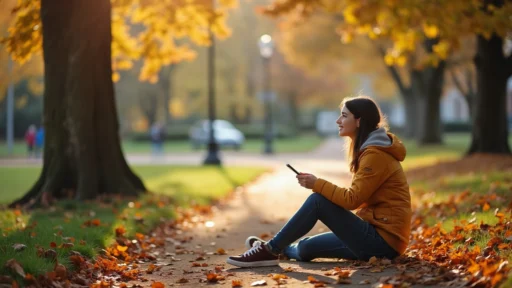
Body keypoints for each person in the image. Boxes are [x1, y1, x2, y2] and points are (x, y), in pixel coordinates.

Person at [226, 96, 411, 268]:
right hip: (375, 235)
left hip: (383, 242)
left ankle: (270, 251)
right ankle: (276, 248)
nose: (338, 121)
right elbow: (360, 198)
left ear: (359, 121)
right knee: (306, 248)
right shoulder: (371, 150)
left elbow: (352, 200)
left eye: (344, 116)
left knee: (318, 201)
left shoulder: (375, 155)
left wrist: (317, 184)